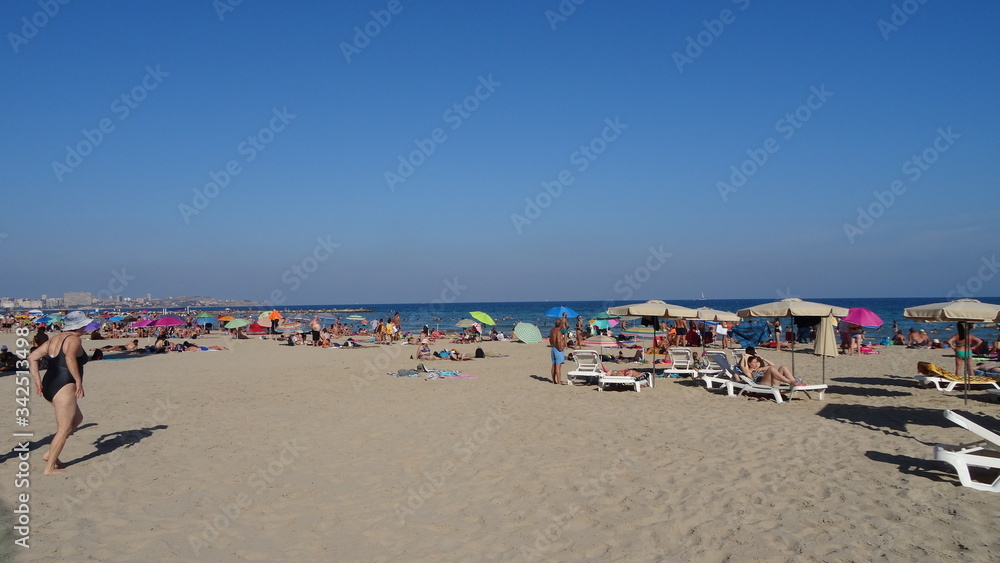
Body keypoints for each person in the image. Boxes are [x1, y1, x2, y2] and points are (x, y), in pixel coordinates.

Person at [27, 311, 91, 474]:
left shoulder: (55, 338)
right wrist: (78, 381)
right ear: (79, 326)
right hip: (64, 385)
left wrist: (37, 380)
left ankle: (51, 455)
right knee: (63, 428)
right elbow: (69, 358)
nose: (86, 327)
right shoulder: (74, 339)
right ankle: (49, 468)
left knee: (77, 419)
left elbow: (32, 357)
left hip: (49, 384)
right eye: (84, 324)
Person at [549, 318, 568, 384]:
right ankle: (559, 381)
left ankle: (553, 380)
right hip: (558, 349)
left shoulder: (552, 330)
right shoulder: (559, 331)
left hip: (553, 348)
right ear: (560, 325)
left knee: (554, 365)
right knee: (558, 366)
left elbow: (550, 339)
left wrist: (552, 345)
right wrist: (560, 348)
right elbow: (558, 340)